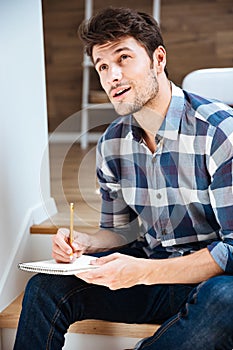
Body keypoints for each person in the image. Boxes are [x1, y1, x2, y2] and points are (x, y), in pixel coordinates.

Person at [14, 7, 233, 350]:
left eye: (124, 58)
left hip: (214, 281)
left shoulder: (220, 132)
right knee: (45, 288)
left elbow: (232, 250)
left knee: (228, 298)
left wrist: (144, 271)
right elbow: (120, 230)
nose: (112, 75)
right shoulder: (112, 143)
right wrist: (86, 243)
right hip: (155, 272)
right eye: (103, 66)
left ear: (158, 59)